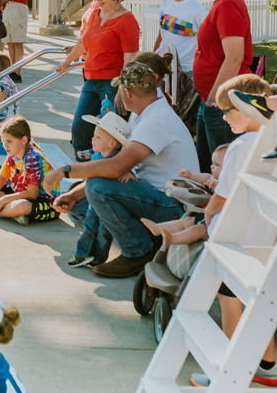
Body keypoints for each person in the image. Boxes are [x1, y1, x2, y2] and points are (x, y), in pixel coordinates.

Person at [145, 74, 277, 389]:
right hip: (265, 239)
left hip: (234, 241)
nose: (224, 116)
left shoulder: (242, 145)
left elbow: (223, 195)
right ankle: (267, 365)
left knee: (229, 302)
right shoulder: (270, 142)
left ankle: (228, 369)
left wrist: (208, 215)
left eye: (229, 110)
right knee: (262, 306)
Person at [46, 54, 198, 277]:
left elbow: (116, 167)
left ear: (127, 92)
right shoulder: (144, 113)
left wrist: (65, 170)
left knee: (97, 189)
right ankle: (148, 237)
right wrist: (75, 195)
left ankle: (138, 252)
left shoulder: (155, 120)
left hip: (175, 209)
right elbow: (118, 169)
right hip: (154, 196)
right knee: (81, 205)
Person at [55, 0, 140, 160]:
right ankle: (84, 174)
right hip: (91, 79)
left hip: (112, 82)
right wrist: (67, 63)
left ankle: (108, 173)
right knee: (79, 130)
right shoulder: (96, 14)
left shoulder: (126, 21)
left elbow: (130, 57)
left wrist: (122, 88)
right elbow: (83, 41)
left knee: (112, 134)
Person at [192, 0, 253, 172]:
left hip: (222, 101)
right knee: (206, 166)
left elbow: (235, 57)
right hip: (212, 99)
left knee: (223, 170)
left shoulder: (227, 4)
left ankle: (219, 208)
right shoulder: (222, 2)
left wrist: (214, 99)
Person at [66, 111, 131, 268]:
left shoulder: (119, 161)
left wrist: (130, 175)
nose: (92, 139)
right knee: (89, 224)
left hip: (108, 203)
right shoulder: (95, 157)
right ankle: (82, 254)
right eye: (94, 135)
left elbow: (130, 174)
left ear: (112, 144)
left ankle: (99, 257)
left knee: (104, 229)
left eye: (98, 137)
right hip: (93, 200)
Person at [0, 115, 59, 225]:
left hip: (45, 204)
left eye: (9, 141)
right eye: (3, 141)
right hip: (21, 195)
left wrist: (3, 200)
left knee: (21, 206)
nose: (5, 145)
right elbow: (2, 177)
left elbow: (32, 194)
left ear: (24, 140)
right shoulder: (13, 154)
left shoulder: (33, 158)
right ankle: (12, 213)